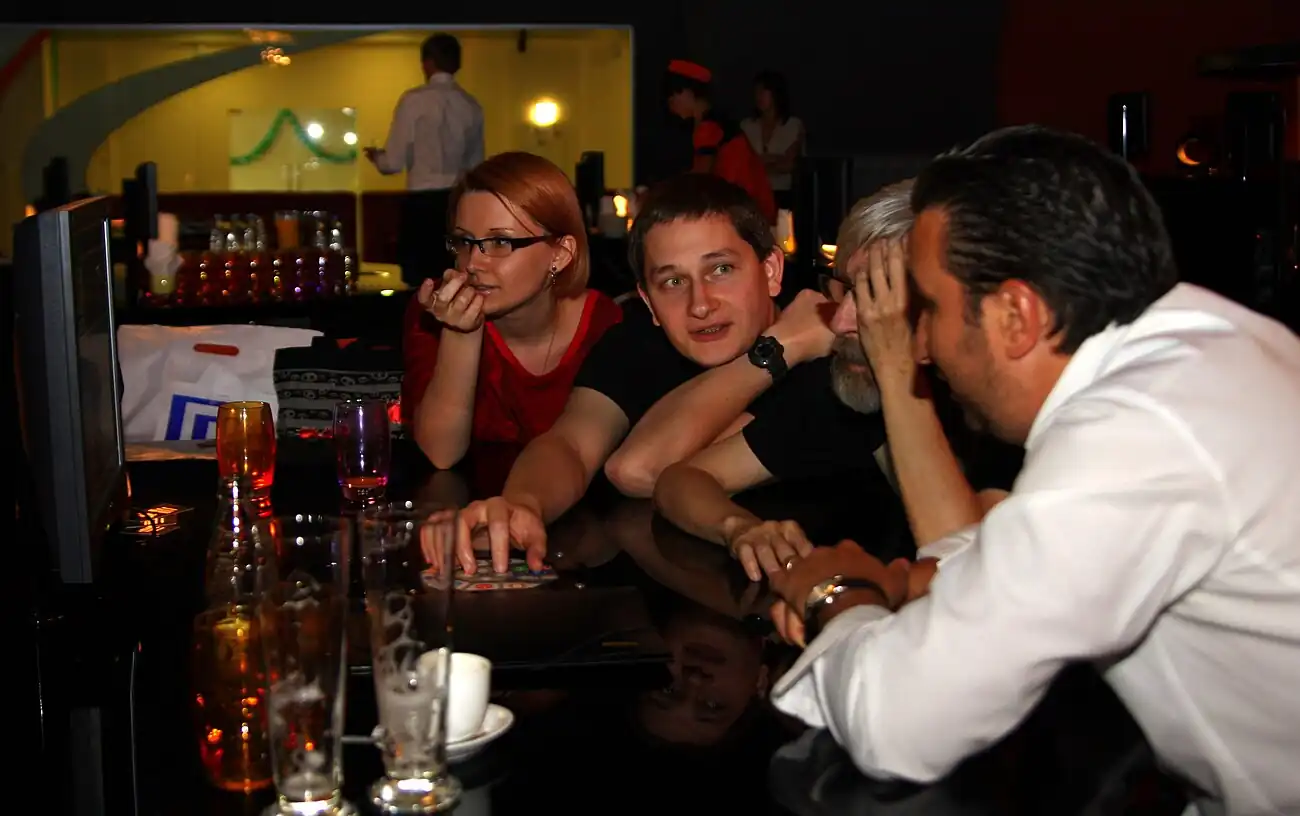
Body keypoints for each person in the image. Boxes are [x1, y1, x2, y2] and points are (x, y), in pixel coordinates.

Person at [764, 125, 1300, 816]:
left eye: (929, 309)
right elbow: (1031, 552)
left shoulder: (1135, 433)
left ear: (1016, 315)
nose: (918, 346)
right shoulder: (1211, 347)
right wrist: (905, 581)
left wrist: (836, 596)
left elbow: (900, 723)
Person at [450, 174, 835, 575]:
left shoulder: (826, 361)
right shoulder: (636, 343)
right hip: (665, 589)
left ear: (771, 270)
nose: (700, 304)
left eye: (721, 269)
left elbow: (638, 471)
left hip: (800, 587)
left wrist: (783, 349)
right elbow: (571, 443)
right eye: (673, 281)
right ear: (648, 301)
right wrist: (523, 505)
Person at [653, 180, 1018, 581]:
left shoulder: (1005, 407)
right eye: (842, 289)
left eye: (876, 297)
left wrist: (896, 370)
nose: (841, 320)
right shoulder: (851, 384)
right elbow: (680, 481)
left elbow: (972, 568)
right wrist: (739, 528)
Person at [401, 151, 623, 469]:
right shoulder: (436, 312)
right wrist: (461, 334)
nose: (473, 263)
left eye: (500, 243)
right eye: (464, 242)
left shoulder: (607, 327)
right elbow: (440, 454)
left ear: (560, 254)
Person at [365, 33, 485, 289]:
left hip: (421, 205)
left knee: (419, 285)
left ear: (427, 63)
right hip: (457, 205)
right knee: (455, 280)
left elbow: (392, 163)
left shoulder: (413, 101)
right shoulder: (471, 105)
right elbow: (476, 168)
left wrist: (377, 157)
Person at [665, 60, 777, 225]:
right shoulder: (716, 123)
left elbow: (701, 178)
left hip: (746, 212)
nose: (671, 102)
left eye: (673, 94)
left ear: (689, 92)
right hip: (748, 208)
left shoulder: (709, 127)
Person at [741, 71, 804, 213]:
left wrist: (762, 162)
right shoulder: (747, 126)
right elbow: (745, 163)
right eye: (756, 92)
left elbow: (789, 164)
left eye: (763, 92)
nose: (758, 96)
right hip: (753, 194)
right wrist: (776, 159)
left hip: (782, 195)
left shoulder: (793, 125)